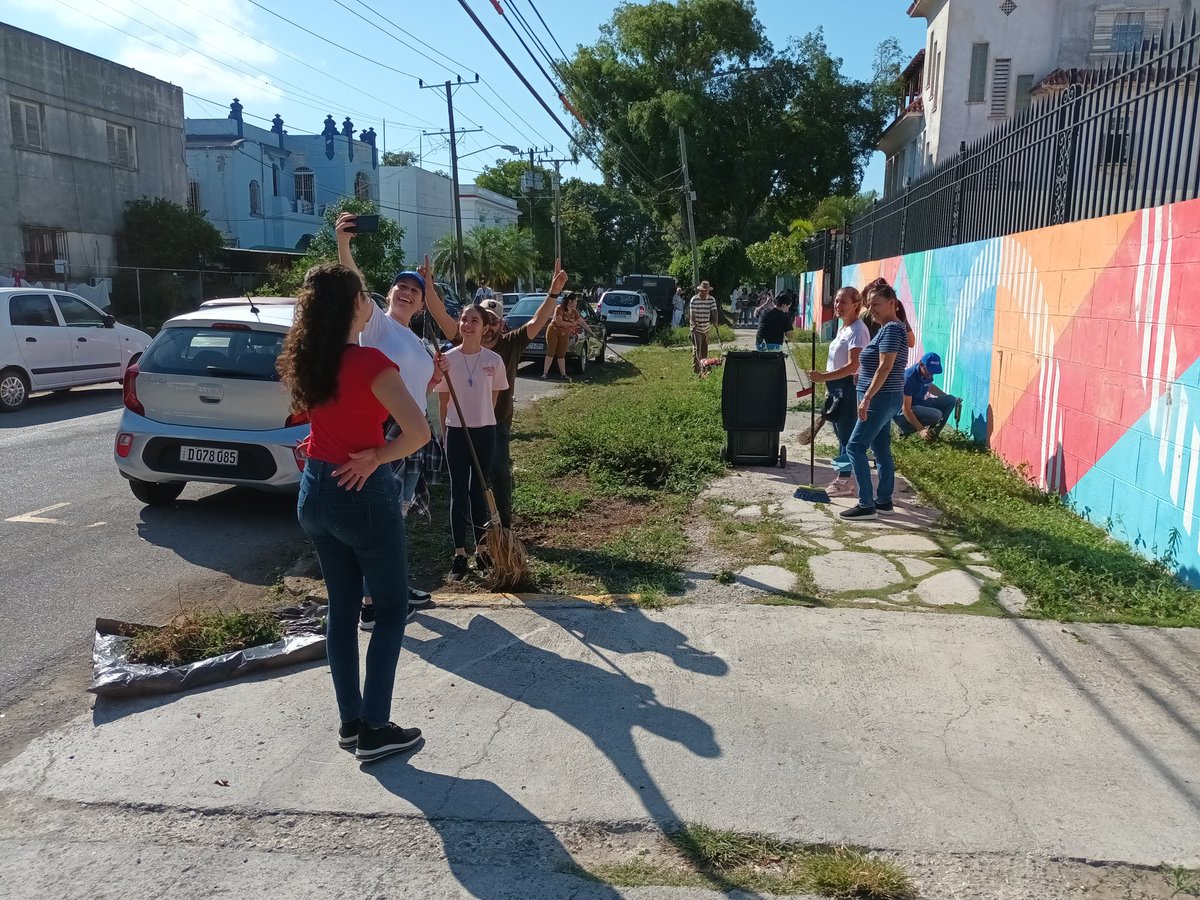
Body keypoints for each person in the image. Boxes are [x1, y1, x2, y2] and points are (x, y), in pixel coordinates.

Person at [277, 263, 431, 763]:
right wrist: (377, 456)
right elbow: (418, 434)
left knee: (341, 611)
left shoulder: (309, 360)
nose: (370, 302)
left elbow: (324, 421)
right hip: (360, 493)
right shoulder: (370, 363)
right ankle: (375, 728)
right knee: (388, 611)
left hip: (314, 493)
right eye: (364, 295)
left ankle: (349, 722)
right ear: (353, 307)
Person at [336, 213, 454, 627]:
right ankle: (372, 604)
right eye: (401, 287)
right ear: (387, 296)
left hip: (413, 436)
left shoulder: (420, 342)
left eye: (414, 291)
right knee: (379, 520)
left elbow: (421, 391)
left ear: (421, 304)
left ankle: (395, 588)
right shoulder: (378, 325)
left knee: (396, 517)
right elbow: (354, 284)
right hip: (386, 432)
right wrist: (344, 247)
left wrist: (435, 373)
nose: (406, 293)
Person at [475, 261, 568, 528]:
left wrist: (553, 294)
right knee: (474, 479)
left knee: (500, 474)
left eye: (493, 322)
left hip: (499, 422)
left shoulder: (511, 343)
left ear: (501, 324)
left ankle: (504, 526)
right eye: (484, 321)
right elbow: (445, 322)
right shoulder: (465, 342)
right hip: (469, 424)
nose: (489, 327)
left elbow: (538, 320)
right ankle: (478, 531)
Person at [435, 305, 510, 579]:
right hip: (456, 433)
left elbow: (492, 401)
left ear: (485, 327)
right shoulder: (447, 359)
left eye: (474, 320)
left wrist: (482, 421)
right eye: (464, 319)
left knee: (479, 491)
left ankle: (481, 550)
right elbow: (444, 403)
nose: (467, 324)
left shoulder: (494, 360)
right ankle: (459, 555)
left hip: (484, 433)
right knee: (458, 493)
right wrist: (445, 434)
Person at [841, 285, 908, 520]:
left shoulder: (891, 329)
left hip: (880, 397)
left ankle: (866, 504)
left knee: (855, 447)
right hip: (886, 396)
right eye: (869, 305)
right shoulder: (890, 329)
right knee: (880, 448)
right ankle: (884, 501)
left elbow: (885, 366)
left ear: (893, 303)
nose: (872, 309)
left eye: (876, 304)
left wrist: (867, 397)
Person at [807, 287, 870, 497]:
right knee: (840, 435)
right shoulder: (844, 328)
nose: (837, 306)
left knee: (846, 437)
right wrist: (827, 385)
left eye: (843, 302)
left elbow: (853, 366)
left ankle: (844, 480)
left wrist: (823, 377)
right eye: (836, 301)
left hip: (848, 389)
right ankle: (843, 476)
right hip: (836, 388)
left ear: (855, 305)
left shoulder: (858, 331)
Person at [894, 351, 960, 439]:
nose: (931, 374)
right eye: (930, 371)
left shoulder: (926, 373)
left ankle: (932, 435)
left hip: (919, 404)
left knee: (950, 400)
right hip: (903, 412)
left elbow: (930, 386)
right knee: (936, 414)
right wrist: (921, 429)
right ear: (921, 364)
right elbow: (906, 409)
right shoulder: (909, 378)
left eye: (933, 372)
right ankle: (904, 429)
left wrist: (945, 396)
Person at [542, 292, 594, 380]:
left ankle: (563, 374)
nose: (576, 303)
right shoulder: (559, 308)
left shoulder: (574, 312)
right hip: (553, 331)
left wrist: (590, 331)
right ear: (570, 301)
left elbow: (581, 322)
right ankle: (544, 373)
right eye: (575, 301)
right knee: (551, 352)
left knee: (562, 354)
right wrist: (572, 323)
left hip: (565, 333)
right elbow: (559, 322)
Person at [689, 280, 720, 374]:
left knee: (704, 349)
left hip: (706, 327)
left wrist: (715, 321)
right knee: (697, 349)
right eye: (703, 290)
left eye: (706, 290)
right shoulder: (694, 299)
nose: (705, 292)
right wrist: (694, 324)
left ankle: (704, 367)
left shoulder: (711, 299)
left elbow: (714, 311)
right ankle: (696, 368)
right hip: (696, 327)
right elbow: (692, 314)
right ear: (700, 290)